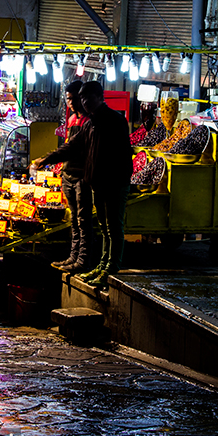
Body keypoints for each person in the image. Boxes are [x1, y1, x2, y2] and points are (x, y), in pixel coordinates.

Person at [35, 81, 132, 287]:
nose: (84, 102)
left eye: (87, 98)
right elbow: (71, 147)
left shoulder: (115, 120)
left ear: (99, 97)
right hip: (97, 183)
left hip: (114, 184)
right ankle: (103, 265)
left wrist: (117, 181)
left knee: (114, 228)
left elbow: (123, 156)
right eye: (82, 98)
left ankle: (111, 268)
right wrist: (46, 159)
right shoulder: (90, 124)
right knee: (105, 228)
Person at [45, 81, 93, 273]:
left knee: (83, 220)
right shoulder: (72, 120)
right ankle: (73, 256)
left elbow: (75, 148)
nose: (71, 102)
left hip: (82, 176)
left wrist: (48, 159)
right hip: (68, 174)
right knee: (74, 220)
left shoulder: (88, 122)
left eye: (73, 98)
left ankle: (83, 260)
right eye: (68, 98)